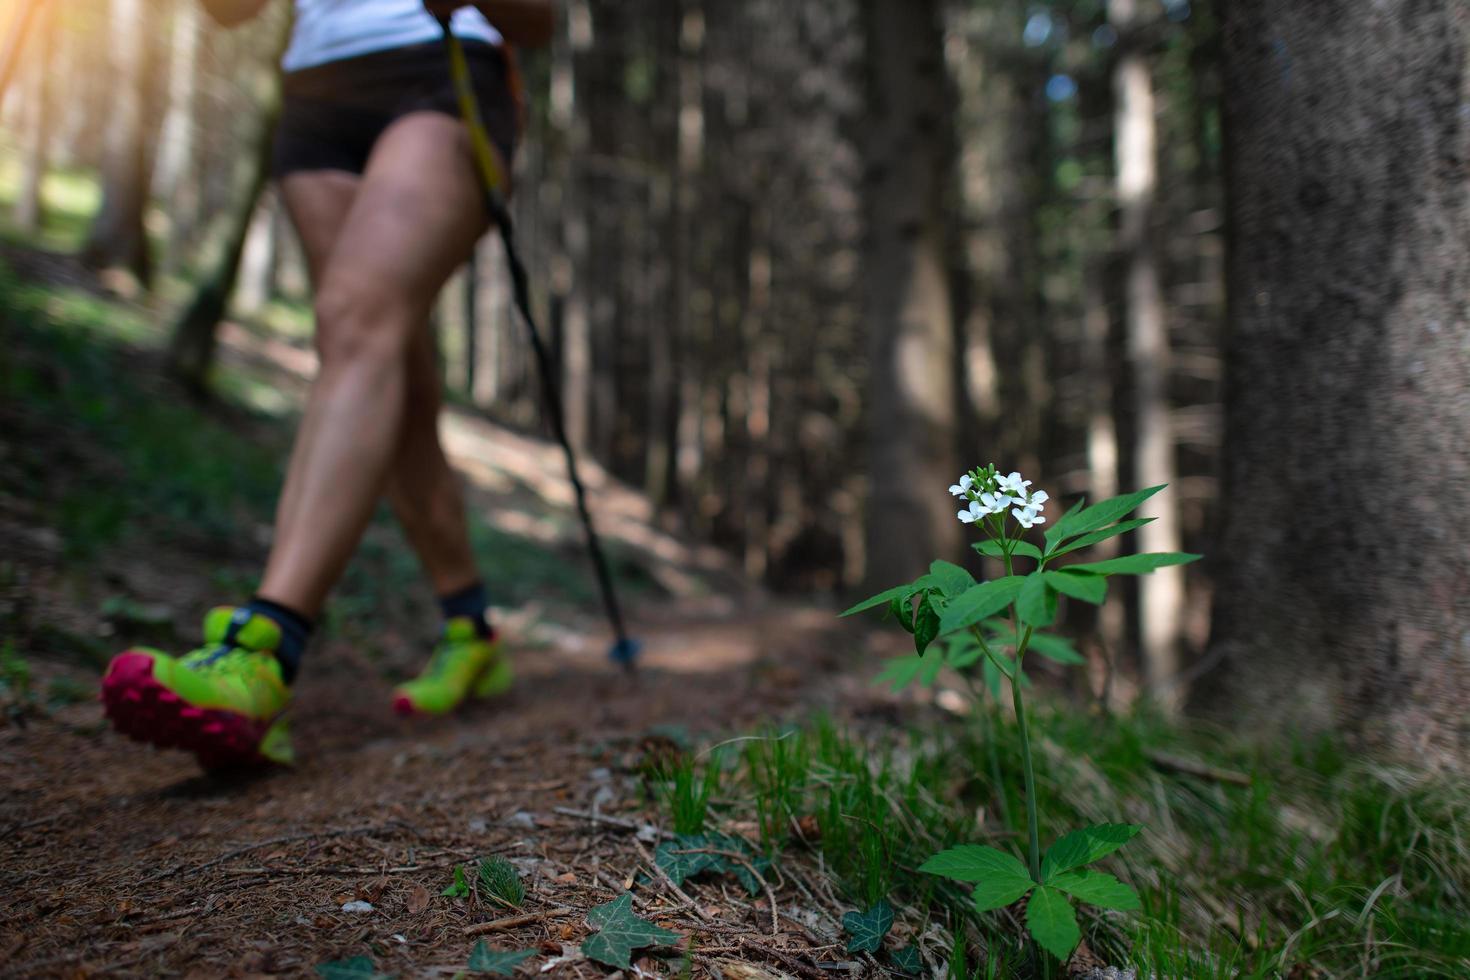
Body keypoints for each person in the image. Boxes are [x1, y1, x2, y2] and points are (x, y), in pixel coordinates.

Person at [100, 0, 555, 769]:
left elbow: (538, 19)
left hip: (441, 72)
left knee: (355, 321)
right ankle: (472, 630)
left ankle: (268, 648)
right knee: (384, 365)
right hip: (317, 86)